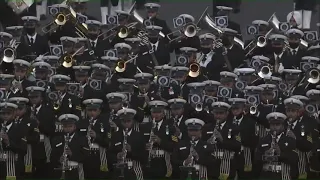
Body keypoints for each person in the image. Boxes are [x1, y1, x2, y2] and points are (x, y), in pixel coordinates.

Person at [253, 112, 299, 180]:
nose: (274, 127)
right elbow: (256, 159)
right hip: (266, 175)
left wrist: (280, 153)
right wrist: (265, 155)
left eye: (277, 124)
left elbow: (295, 159)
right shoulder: (263, 140)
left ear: (283, 126)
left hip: (283, 175)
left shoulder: (290, 140)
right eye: (272, 124)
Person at [108, 108, 145, 179]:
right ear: (121, 122)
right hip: (118, 170)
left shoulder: (139, 136)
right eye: (124, 121)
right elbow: (109, 153)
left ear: (133, 121)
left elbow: (144, 156)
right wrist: (117, 156)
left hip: (134, 170)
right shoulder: (115, 135)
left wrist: (131, 151)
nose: (126, 123)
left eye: (129, 121)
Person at [50, 114, 89, 180]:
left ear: (75, 127)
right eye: (65, 126)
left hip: (76, 172)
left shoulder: (82, 139)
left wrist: (72, 154)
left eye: (70, 126)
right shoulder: (56, 140)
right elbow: (52, 157)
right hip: (61, 172)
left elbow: (86, 156)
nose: (68, 129)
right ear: (62, 127)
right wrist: (59, 159)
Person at [0, 102, 27, 180]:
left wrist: (9, 143)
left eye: (8, 113)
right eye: (3, 113)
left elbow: (23, 150)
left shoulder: (20, 128)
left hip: (14, 167)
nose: (5, 116)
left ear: (13, 114)